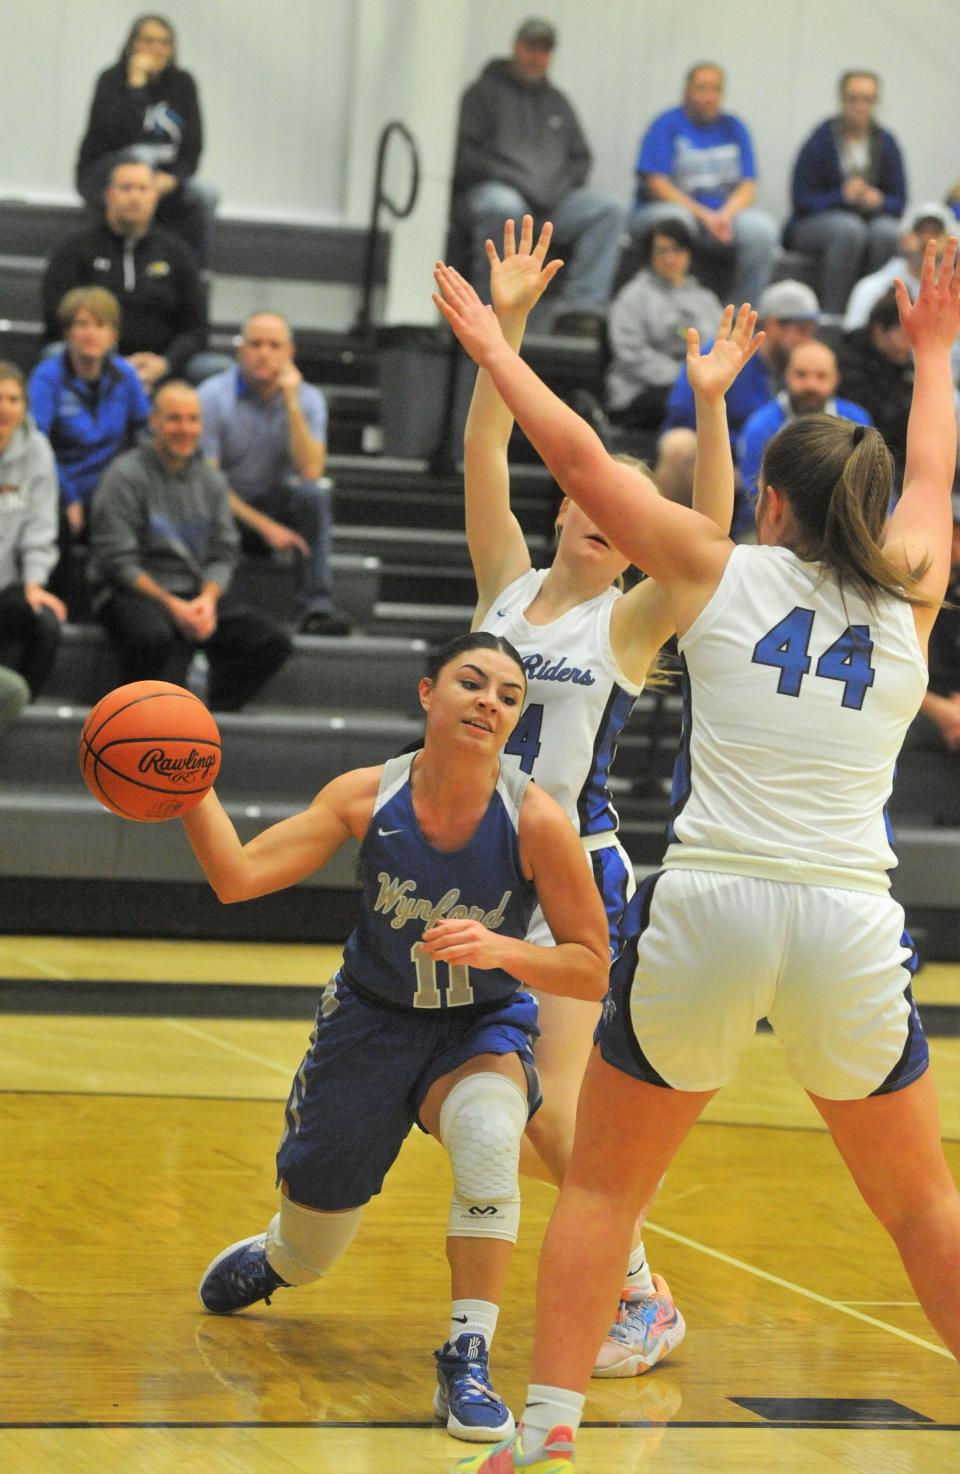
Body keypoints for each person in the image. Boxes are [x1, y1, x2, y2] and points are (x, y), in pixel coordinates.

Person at [433, 236, 960, 1471]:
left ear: (768, 501)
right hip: (846, 921)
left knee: (605, 1190)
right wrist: (935, 354)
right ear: (868, 511)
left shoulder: (714, 569)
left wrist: (500, 348)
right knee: (923, 1203)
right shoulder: (912, 589)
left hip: (712, 906)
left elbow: (571, 457)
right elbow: (935, 459)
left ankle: (549, 1429)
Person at [462, 218, 762, 1379]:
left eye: (628, 501)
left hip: (572, 872)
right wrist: (510, 327)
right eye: (594, 490)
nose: (602, 504)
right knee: (482, 1089)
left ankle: (641, 1290)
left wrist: (716, 406)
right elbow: (489, 452)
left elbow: (712, 543)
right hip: (478, 854)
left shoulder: (629, 624)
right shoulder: (507, 584)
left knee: (557, 1113)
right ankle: (305, 1231)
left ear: (634, 536)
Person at [185, 630, 609, 1442]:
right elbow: (237, 878)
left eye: (509, 696)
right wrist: (190, 789)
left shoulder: (537, 820)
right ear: (428, 695)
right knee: (314, 1252)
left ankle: (467, 1353)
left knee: (491, 1135)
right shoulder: (364, 796)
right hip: (369, 1025)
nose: (490, 701)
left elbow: (592, 967)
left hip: (480, 1025)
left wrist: (504, 950)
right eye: (472, 683)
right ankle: (281, 1259)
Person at [87, 381, 291, 711]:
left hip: (194, 593)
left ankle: (209, 715)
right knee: (152, 637)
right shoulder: (124, 475)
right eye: (175, 419)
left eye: (193, 419)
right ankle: (133, 719)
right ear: (154, 422)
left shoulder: (212, 480)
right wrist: (172, 605)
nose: (185, 429)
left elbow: (224, 551)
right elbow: (116, 559)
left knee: (271, 642)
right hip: (134, 591)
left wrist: (207, 601)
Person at [451, 17, 623, 334]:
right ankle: (491, 308)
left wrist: (558, 186)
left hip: (552, 202)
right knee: (503, 207)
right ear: (516, 47)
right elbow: (464, 156)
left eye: (544, 50)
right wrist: (514, 178)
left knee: (608, 210)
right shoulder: (482, 94)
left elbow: (581, 158)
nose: (536, 56)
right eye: (531, 47)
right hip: (499, 193)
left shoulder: (558, 102)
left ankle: (580, 310)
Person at [198, 312, 350, 635]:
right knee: (201, 501)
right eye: (255, 344)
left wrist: (291, 402)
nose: (264, 353)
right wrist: (265, 527)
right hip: (225, 506)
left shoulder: (308, 399)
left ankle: (317, 609)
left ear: (288, 354)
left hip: (274, 503)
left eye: (273, 345)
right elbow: (208, 483)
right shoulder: (211, 396)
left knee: (316, 494)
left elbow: (311, 470)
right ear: (240, 351)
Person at [42, 159, 225, 392]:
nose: (134, 197)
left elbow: (196, 329)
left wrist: (165, 363)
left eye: (143, 189)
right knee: (54, 355)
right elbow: (58, 318)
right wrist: (110, 361)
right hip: (92, 358)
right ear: (108, 195)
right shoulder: (74, 250)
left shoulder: (178, 254)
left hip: (163, 365)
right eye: (126, 188)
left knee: (219, 370)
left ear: (155, 197)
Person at [631, 62, 777, 309]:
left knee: (762, 230)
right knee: (678, 222)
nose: (708, 96)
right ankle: (675, 306)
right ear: (686, 91)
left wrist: (724, 215)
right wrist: (705, 216)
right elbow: (656, 183)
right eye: (701, 88)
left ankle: (741, 314)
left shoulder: (735, 127)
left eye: (715, 89)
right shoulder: (666, 124)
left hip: (721, 216)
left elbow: (748, 186)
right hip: (668, 211)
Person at [75, 13, 218, 266]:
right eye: (149, 41)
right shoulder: (111, 81)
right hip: (104, 174)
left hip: (162, 179)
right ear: (133, 44)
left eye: (165, 43)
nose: (157, 49)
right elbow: (120, 137)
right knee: (141, 156)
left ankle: (191, 272)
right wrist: (137, 85)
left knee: (206, 195)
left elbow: (193, 147)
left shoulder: (183, 84)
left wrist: (174, 179)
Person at [28, 287, 150, 542]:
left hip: (111, 490)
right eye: (82, 324)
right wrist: (68, 496)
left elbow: (147, 431)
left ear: (113, 335)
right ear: (68, 332)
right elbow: (35, 444)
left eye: (99, 325)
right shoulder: (46, 377)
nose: (90, 333)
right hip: (57, 486)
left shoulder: (125, 376)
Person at [785, 71, 906, 316]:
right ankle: (833, 314)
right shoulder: (821, 139)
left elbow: (899, 201)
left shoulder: (886, 142)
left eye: (867, 99)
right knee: (849, 229)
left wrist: (879, 199)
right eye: (853, 99)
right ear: (842, 99)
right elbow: (801, 199)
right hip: (816, 222)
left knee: (887, 232)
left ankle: (875, 314)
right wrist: (841, 196)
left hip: (871, 221)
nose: (860, 106)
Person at [663, 277, 819, 440]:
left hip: (770, 453)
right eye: (801, 330)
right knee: (679, 443)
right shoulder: (723, 355)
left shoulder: (803, 367)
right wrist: (737, 446)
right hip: (713, 447)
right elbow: (682, 412)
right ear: (773, 324)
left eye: (811, 331)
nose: (807, 339)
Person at [606, 219, 724, 431]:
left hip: (696, 385)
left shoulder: (706, 300)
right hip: (642, 389)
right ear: (650, 256)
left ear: (689, 253)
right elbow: (630, 354)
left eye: (677, 250)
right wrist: (683, 377)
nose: (670, 258)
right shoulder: (633, 296)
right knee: (692, 402)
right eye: (661, 251)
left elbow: (720, 347)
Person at [0, 363, 67, 703]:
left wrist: (34, 584)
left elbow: (42, 525)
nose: (4, 408)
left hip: (9, 585)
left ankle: (18, 711)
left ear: (24, 406)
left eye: (13, 399)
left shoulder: (37, 449)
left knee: (46, 623)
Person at [737, 339, 872, 504]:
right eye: (801, 374)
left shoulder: (855, 420)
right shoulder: (761, 425)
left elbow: (871, 483)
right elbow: (753, 494)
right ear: (787, 375)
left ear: (835, 379)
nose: (811, 384)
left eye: (821, 376)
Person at [838, 289, 917, 483]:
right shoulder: (848, 363)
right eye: (904, 334)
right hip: (861, 458)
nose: (910, 344)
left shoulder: (902, 361)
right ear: (879, 330)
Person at [844, 201, 955, 331]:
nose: (928, 240)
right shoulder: (873, 289)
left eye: (936, 233)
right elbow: (852, 342)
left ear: (951, 243)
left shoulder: (956, 292)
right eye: (920, 232)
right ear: (903, 240)